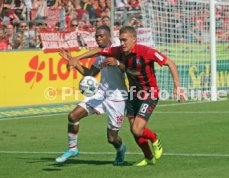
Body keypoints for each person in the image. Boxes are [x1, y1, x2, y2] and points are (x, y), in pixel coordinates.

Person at [61, 26, 185, 166]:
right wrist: (76, 59)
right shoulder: (118, 51)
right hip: (132, 93)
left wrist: (177, 86)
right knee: (134, 132)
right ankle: (149, 158)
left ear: (134, 40)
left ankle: (155, 138)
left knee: (136, 129)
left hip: (148, 93)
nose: (122, 43)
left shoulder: (146, 52)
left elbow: (170, 63)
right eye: (121, 40)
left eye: (125, 40)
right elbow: (98, 53)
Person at [56, 25, 127, 166]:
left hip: (118, 98)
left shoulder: (118, 50)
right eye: (96, 37)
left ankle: (121, 149)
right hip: (101, 94)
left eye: (101, 36)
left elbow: (124, 66)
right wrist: (72, 61)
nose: (98, 39)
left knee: (112, 138)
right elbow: (90, 74)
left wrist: (77, 58)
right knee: (73, 116)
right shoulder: (101, 57)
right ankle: (72, 149)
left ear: (109, 37)